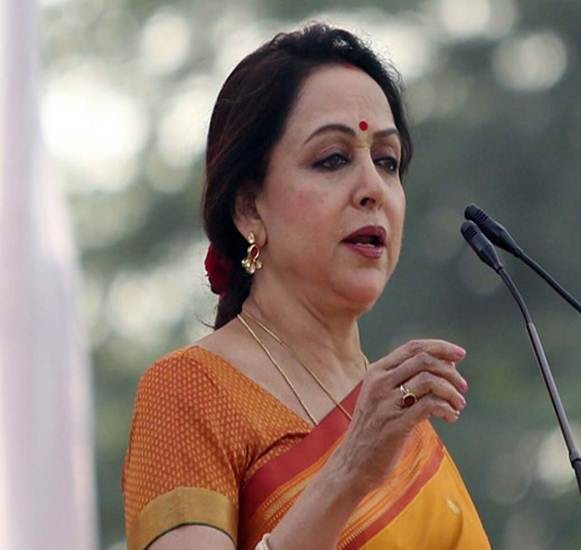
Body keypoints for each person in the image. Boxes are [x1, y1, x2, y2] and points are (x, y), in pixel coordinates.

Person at [121, 23, 491, 550]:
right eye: (333, 159)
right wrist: (350, 469)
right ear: (249, 208)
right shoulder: (190, 392)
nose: (372, 188)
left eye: (387, 161)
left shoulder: (398, 423)